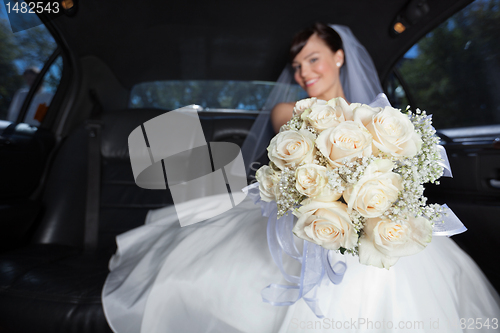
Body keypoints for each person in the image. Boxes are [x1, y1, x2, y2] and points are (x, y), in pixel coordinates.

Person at [102, 24, 500, 333]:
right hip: (306, 206)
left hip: (371, 209)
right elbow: (301, 167)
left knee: (394, 264)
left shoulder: (379, 116)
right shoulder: (287, 110)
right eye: (297, 66)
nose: (304, 72)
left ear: (339, 57)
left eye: (313, 59)